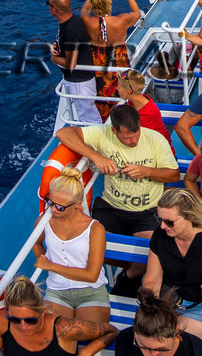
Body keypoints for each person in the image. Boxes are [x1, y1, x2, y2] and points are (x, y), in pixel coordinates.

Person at [55, 104, 180, 287]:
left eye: (137, 135)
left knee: (153, 254)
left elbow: (174, 175)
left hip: (147, 211)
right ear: (113, 130)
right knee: (91, 250)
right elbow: (63, 133)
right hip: (111, 207)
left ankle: (129, 276)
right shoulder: (103, 133)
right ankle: (134, 270)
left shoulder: (155, 139)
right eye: (128, 138)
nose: (134, 141)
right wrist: (96, 157)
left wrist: (147, 171)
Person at [143, 189, 202, 355]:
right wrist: (152, 310)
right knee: (146, 338)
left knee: (167, 343)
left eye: (169, 222)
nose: (163, 226)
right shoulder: (159, 236)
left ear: (190, 217)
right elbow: (153, 280)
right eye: (159, 219)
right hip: (169, 301)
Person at [35, 168, 111, 324]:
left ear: (77, 204)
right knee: (57, 333)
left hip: (91, 291)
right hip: (57, 290)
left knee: (88, 333)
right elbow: (36, 243)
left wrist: (51, 266)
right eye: (50, 202)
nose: (53, 209)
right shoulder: (44, 220)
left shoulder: (95, 229)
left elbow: (91, 275)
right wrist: (44, 261)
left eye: (60, 207)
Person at [0, 276, 117, 356]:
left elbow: (112, 331)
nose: (23, 326)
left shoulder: (64, 328)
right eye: (15, 320)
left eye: (30, 320)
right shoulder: (2, 322)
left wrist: (85, 353)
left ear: (42, 312)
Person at [81, 0, 143, 119]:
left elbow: (84, 10)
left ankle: (105, 120)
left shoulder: (87, 21)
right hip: (119, 67)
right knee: (123, 93)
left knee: (102, 97)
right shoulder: (121, 20)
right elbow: (136, 13)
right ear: (110, 2)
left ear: (93, 1)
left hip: (99, 71)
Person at [48, 0, 100, 124]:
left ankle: (96, 137)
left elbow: (70, 63)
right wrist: (58, 47)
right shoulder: (72, 21)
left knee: (88, 118)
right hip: (81, 80)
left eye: (49, 4)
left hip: (79, 83)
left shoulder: (70, 30)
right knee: (87, 114)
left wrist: (54, 59)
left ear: (54, 10)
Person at [111, 291, 202, 356]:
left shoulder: (196, 352)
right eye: (144, 347)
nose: (153, 354)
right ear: (135, 331)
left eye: (162, 348)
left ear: (176, 332)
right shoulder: (125, 340)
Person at [115, 69, 169, 140]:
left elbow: (140, 140)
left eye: (118, 87)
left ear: (128, 92)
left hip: (157, 145)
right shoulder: (134, 101)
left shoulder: (147, 114)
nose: (117, 88)